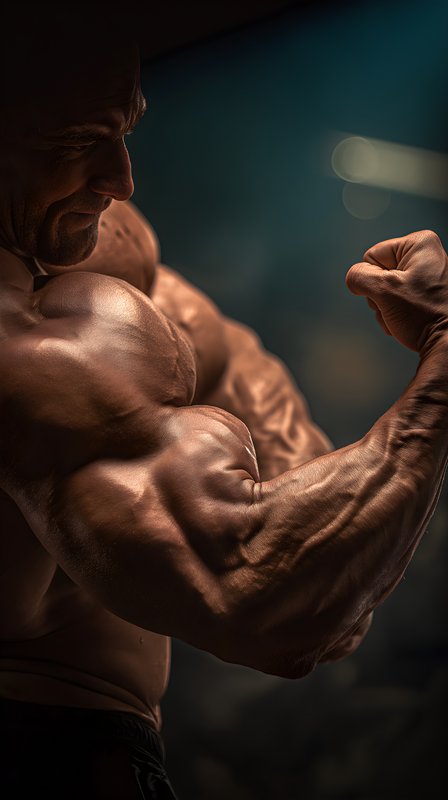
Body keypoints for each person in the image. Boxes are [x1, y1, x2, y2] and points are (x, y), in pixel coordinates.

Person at [1, 14, 448, 800]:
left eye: (125, 129)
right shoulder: (27, 352)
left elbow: (333, 592)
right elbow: (264, 600)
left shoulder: (99, 250)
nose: (121, 179)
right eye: (74, 139)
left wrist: (330, 553)